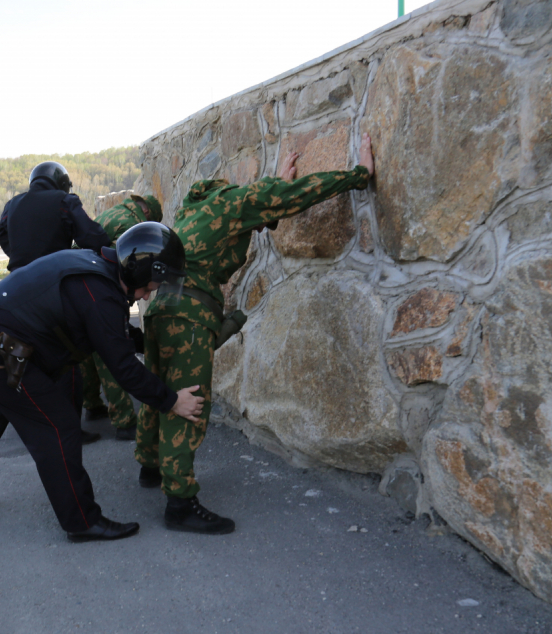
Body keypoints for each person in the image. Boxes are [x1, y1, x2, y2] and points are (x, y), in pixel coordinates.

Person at [135, 135, 377, 535]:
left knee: (160, 387)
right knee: (189, 401)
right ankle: (179, 501)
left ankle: (149, 464)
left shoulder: (193, 210)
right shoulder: (234, 202)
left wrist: (269, 191)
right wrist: (358, 174)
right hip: (191, 315)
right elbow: (295, 194)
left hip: (161, 308)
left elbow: (257, 211)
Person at [0, 229, 204, 542]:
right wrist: (172, 401)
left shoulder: (98, 271)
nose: (148, 295)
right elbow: (123, 368)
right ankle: (81, 521)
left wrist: (150, 345)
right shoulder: (101, 293)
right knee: (58, 426)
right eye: (150, 287)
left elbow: (114, 335)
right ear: (141, 272)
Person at [81, 194, 164, 440]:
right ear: (148, 213)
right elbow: (128, 266)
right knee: (111, 353)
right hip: (102, 289)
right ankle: (124, 420)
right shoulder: (131, 227)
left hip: (85, 285)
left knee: (87, 351)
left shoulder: (113, 214)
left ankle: (92, 404)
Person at [0, 160, 109, 271]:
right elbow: (91, 236)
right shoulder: (64, 201)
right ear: (63, 184)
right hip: (54, 275)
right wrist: (107, 244)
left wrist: (20, 255)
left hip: (18, 277)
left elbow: (1, 234)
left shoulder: (12, 204)